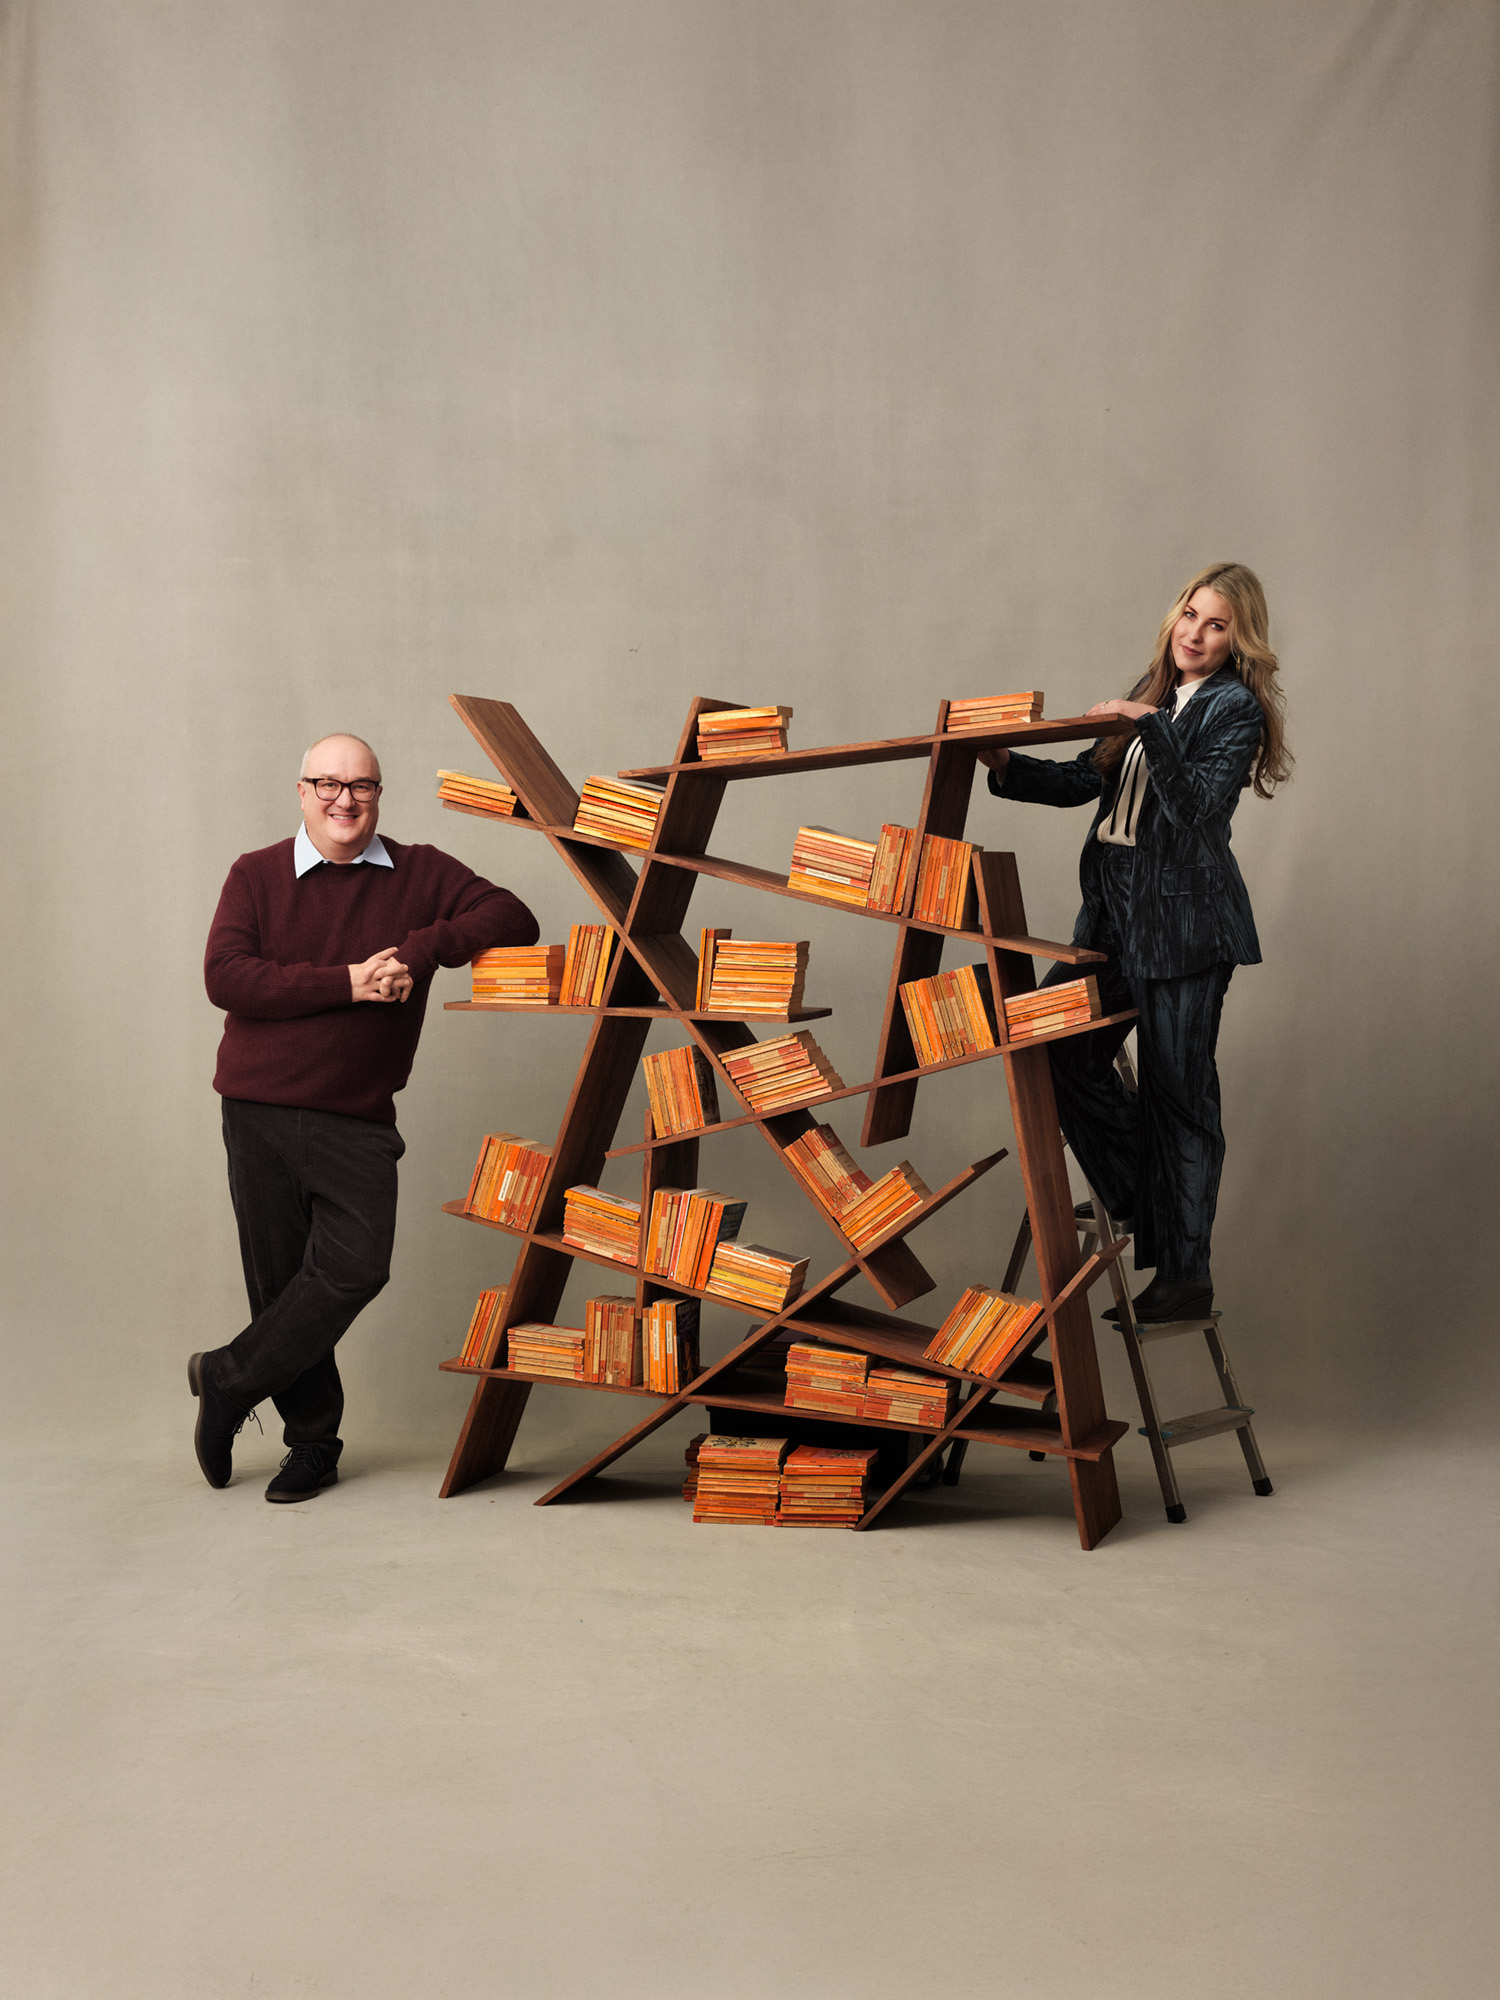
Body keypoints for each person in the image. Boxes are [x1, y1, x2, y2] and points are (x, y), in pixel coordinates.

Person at [192, 732, 539, 1501]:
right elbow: (228, 978)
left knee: (354, 1267)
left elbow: (515, 917)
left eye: (362, 786)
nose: (343, 799)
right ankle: (313, 1446)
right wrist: (349, 982)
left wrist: (421, 951)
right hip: (259, 1110)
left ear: (379, 794)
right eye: (327, 783)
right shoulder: (256, 874)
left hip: (356, 1117)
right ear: (301, 790)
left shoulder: (419, 872)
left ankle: (227, 1376)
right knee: (281, 1286)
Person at [980, 562, 1291, 1323]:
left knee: (1179, 1099)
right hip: (1115, 920)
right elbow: (1086, 783)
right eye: (1190, 614)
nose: (1196, 632)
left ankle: (1185, 1277)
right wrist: (1003, 766)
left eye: (1217, 624)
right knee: (1054, 1045)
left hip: (1187, 929)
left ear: (1237, 639)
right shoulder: (1154, 696)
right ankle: (1146, 1203)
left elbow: (1191, 808)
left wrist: (1147, 724)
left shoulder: (1233, 710)